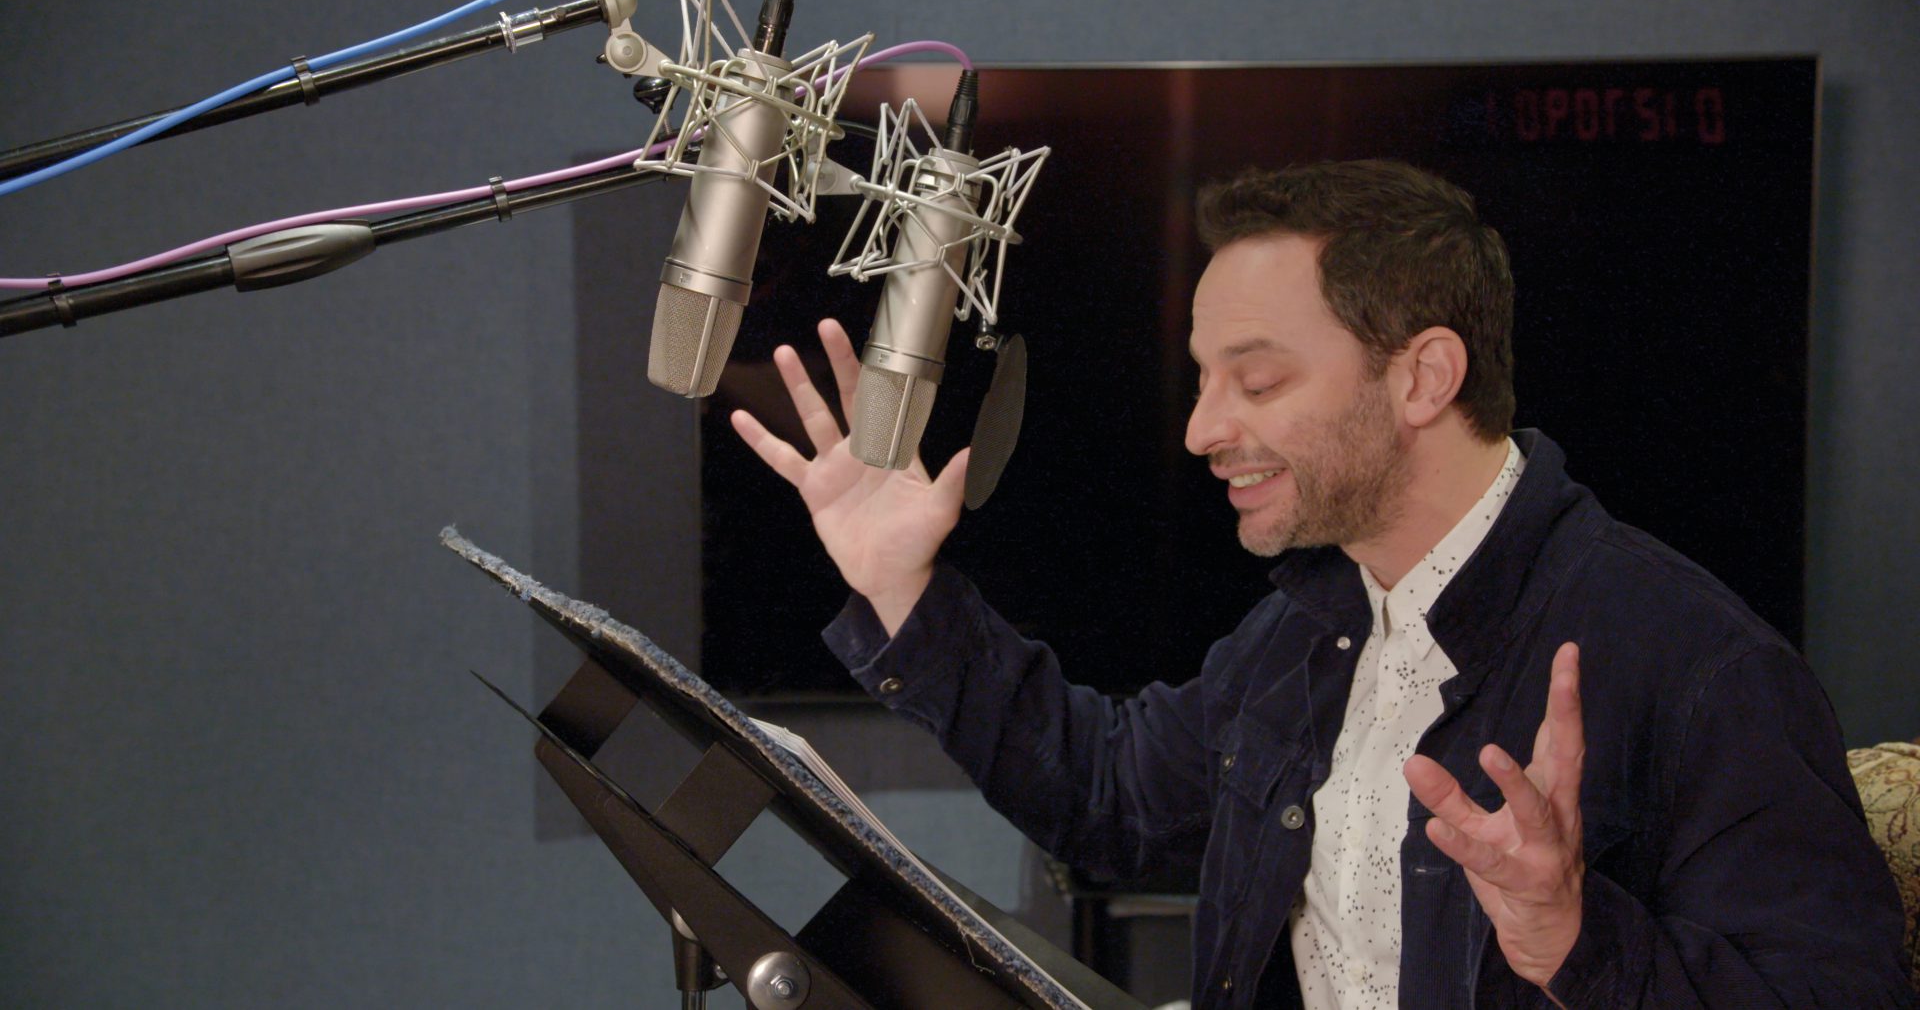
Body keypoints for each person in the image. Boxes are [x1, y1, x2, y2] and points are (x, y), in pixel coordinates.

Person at [728, 160, 1913, 1008]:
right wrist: (908, 589)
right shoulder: (1308, 629)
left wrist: (1574, 935)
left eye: (1256, 381)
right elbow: (1110, 793)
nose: (1201, 430)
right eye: (1204, 379)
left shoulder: (1701, 665)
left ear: (1423, 377)